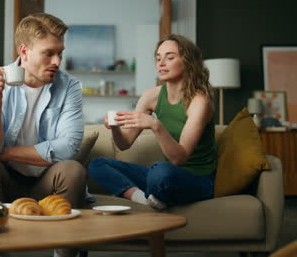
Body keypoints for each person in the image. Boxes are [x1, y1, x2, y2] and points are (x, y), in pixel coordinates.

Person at [0, 12, 85, 216]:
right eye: (48, 53)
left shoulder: (69, 87)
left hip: (45, 180)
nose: (57, 61)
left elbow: (68, 147)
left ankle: (63, 246)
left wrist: (6, 153)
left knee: (73, 170)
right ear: (24, 51)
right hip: (3, 177)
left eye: (60, 53)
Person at [88, 34, 217, 209]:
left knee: (160, 171)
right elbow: (124, 144)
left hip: (197, 181)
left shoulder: (199, 102)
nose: (161, 63)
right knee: (97, 164)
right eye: (158, 58)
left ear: (188, 62)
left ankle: (156, 193)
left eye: (170, 57)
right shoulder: (152, 96)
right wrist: (115, 128)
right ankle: (143, 198)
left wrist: (155, 125)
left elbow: (179, 158)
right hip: (165, 176)